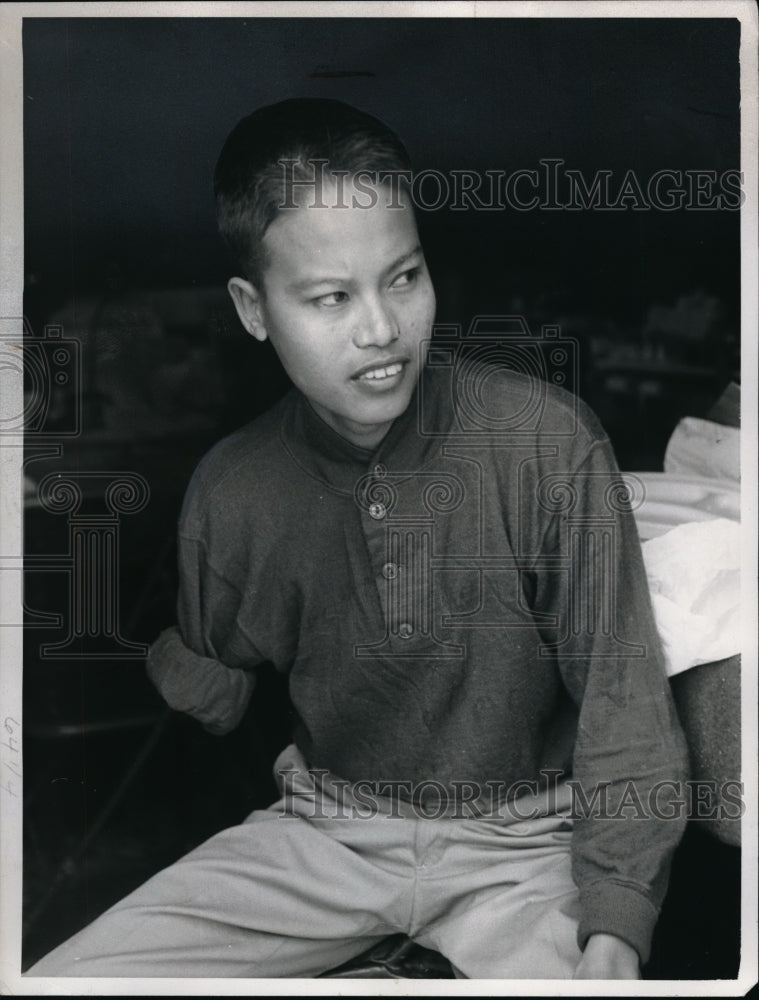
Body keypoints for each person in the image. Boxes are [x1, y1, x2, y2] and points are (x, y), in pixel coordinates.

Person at [26, 98, 689, 981]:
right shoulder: (232, 487)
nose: (380, 329)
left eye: (404, 277)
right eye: (330, 297)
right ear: (253, 309)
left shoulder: (545, 440)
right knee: (76, 979)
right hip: (327, 832)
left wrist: (616, 917)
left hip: (527, 843)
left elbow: (624, 705)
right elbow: (209, 678)